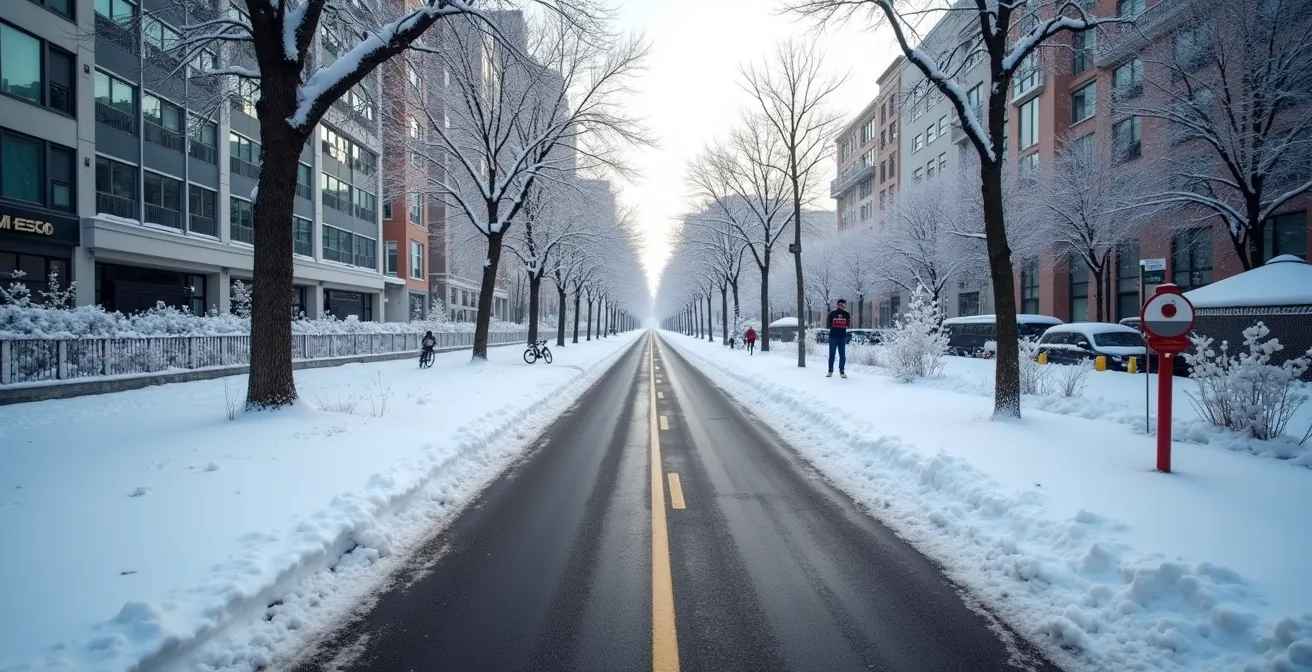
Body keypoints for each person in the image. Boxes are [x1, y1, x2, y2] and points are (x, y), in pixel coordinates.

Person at [826, 299, 851, 378]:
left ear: (845, 306)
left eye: (843, 305)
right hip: (833, 337)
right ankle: (830, 370)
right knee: (832, 354)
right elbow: (828, 325)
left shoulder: (847, 314)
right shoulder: (832, 314)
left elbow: (848, 325)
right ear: (837, 305)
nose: (841, 306)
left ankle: (842, 371)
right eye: (840, 304)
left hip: (842, 337)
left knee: (842, 355)